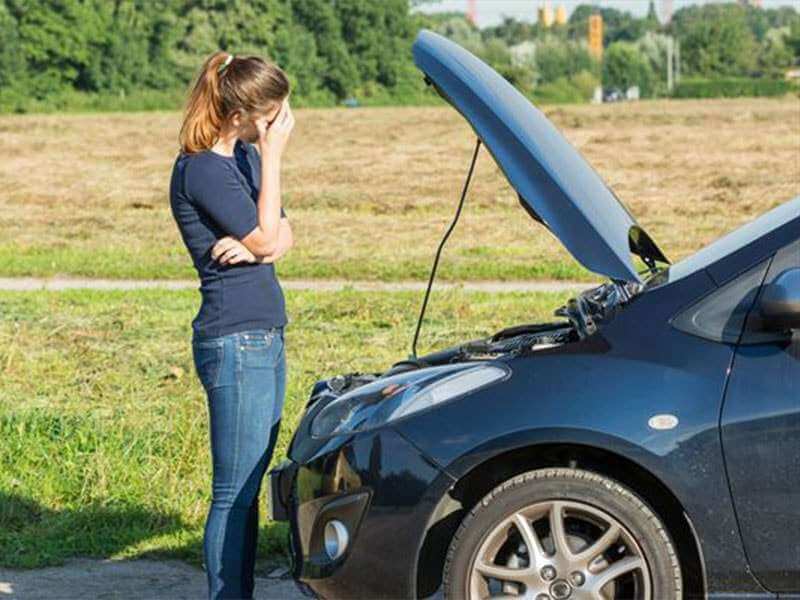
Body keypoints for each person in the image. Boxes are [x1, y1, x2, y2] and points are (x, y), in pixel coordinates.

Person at [168, 50, 295, 599]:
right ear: (242, 114)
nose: (280, 125)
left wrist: (261, 249)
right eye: (272, 117)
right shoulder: (203, 169)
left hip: (263, 334)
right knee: (233, 492)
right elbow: (269, 235)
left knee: (247, 484)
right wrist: (275, 158)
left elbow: (283, 236)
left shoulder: (239, 159)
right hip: (235, 341)